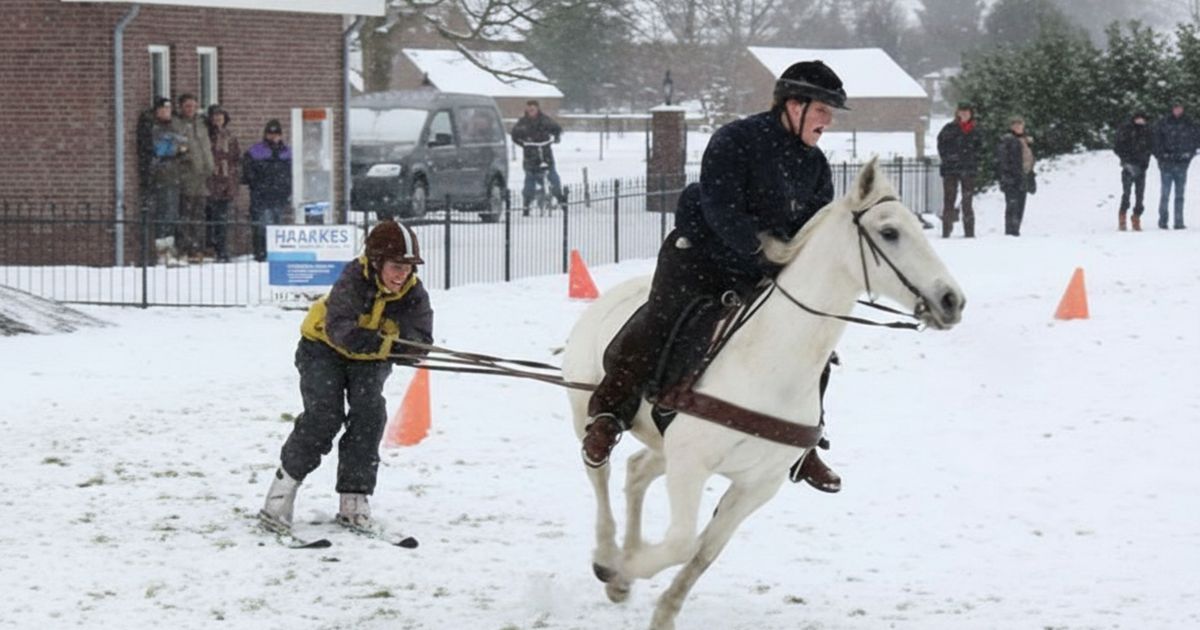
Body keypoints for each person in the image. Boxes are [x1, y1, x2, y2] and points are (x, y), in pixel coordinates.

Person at [581, 60, 849, 493]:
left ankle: (801, 446)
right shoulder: (735, 140)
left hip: (764, 268)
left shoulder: (817, 166)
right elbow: (722, 210)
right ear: (794, 105)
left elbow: (814, 228)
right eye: (823, 109)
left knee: (810, 341)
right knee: (662, 321)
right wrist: (763, 253)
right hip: (702, 255)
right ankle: (610, 413)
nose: (828, 120)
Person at [259, 220, 434, 533]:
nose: (402, 275)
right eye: (396, 266)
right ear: (377, 261)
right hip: (322, 349)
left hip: (370, 357)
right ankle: (279, 498)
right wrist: (382, 343)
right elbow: (340, 330)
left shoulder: (413, 294)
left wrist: (405, 348)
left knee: (369, 414)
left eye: (408, 268)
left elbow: (421, 339)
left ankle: (354, 500)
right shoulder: (354, 279)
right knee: (324, 417)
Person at [135, 96, 189, 266]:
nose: (168, 112)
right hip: (161, 176)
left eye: (169, 109)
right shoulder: (154, 127)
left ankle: (170, 249)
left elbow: (183, 145)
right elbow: (160, 149)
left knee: (172, 214)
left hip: (173, 175)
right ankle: (162, 252)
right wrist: (175, 148)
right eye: (164, 109)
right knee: (164, 214)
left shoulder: (170, 127)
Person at [242, 119, 292, 262]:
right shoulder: (255, 151)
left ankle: (275, 254)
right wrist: (258, 185)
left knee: (278, 228)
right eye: (270, 134)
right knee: (262, 227)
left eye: (276, 134)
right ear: (265, 134)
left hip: (280, 197)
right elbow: (247, 174)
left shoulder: (287, 152)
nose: (273, 137)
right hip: (261, 197)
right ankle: (261, 254)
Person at [175, 94, 214, 261]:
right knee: (186, 214)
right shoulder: (177, 125)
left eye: (193, 106)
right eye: (187, 106)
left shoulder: (201, 124)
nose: (190, 109)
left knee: (199, 215)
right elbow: (177, 148)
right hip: (187, 176)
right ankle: (185, 248)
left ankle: (198, 248)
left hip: (202, 177)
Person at [510, 100, 564, 216]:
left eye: (533, 109)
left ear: (537, 109)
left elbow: (557, 129)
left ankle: (560, 198)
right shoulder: (522, 123)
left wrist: (556, 138)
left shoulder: (545, 121)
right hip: (530, 157)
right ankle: (526, 204)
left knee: (553, 177)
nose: (531, 112)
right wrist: (524, 144)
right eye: (529, 110)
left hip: (546, 154)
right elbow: (514, 135)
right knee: (530, 180)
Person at [936, 101, 982, 238]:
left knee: (967, 201)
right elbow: (941, 146)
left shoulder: (975, 130)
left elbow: (980, 149)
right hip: (951, 170)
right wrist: (950, 159)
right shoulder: (949, 128)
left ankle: (969, 231)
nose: (964, 114)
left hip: (968, 170)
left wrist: (973, 160)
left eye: (966, 112)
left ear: (971, 114)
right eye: (961, 112)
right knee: (949, 200)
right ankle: (946, 229)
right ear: (957, 113)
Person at [1151, 101, 1198, 230]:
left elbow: (1195, 141)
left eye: (1180, 108)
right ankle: (1163, 221)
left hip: (1182, 164)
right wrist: (1162, 157)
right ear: (1172, 109)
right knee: (1165, 194)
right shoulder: (1163, 123)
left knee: (1180, 195)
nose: (1177, 110)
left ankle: (1179, 221)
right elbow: (1156, 142)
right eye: (1175, 108)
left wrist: (1188, 155)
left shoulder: (1189, 123)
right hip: (1166, 164)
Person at [205, 104, 240, 261]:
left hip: (225, 183)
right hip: (209, 182)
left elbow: (235, 161)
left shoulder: (230, 137)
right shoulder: (206, 135)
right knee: (208, 218)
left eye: (221, 116)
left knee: (222, 220)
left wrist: (232, 182)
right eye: (215, 116)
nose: (218, 119)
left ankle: (222, 250)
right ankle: (209, 248)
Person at [996, 115, 1035, 237]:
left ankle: (1016, 230)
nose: (1018, 127)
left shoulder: (1026, 140)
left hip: (1024, 176)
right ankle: (1010, 232)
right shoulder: (1007, 140)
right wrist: (1006, 175)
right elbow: (1002, 160)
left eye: (1020, 124)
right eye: (1015, 124)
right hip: (1011, 178)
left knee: (1020, 206)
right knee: (1012, 206)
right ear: (1011, 126)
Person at [1114, 112, 1152, 231]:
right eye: (1138, 119)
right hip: (1128, 166)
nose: (1140, 121)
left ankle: (1136, 217)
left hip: (1142, 167)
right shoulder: (1126, 130)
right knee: (1126, 194)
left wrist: (1145, 162)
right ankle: (1122, 217)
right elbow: (1117, 147)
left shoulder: (1147, 132)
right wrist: (1125, 160)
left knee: (1140, 196)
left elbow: (1150, 148)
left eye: (1142, 119)